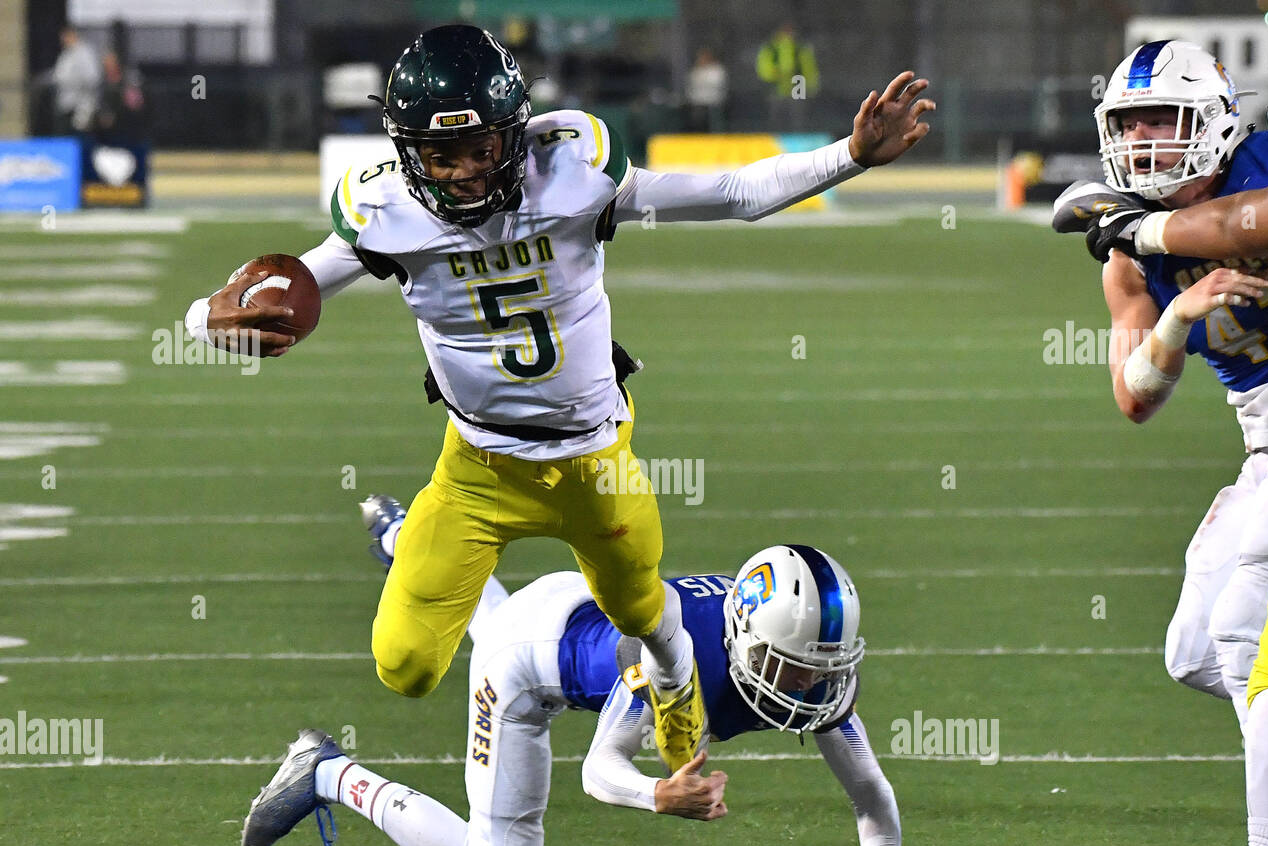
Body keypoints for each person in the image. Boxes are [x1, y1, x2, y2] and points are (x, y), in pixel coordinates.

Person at [183, 25, 934, 773]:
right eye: (442, 157)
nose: (467, 176)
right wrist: (204, 317)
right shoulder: (385, 214)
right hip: (479, 465)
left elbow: (735, 193)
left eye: (482, 151)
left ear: (517, 135)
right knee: (404, 668)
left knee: (644, 614)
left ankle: (674, 708)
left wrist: (851, 156)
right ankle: (407, 537)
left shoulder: (575, 173)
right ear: (407, 151)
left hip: (593, 458)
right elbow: (277, 289)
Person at [240, 538, 903, 846]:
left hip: (566, 605)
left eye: (821, 669)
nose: (809, 687)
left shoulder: (797, 661)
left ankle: (406, 539)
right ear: (744, 642)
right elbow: (598, 769)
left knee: (514, 622)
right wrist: (657, 796)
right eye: (791, 669)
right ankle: (325, 770)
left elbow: (870, 795)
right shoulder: (678, 655)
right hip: (526, 667)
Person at [1059, 35, 1268, 846]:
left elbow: (1248, 223)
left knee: (1249, 635)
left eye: (1166, 120)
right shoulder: (1128, 249)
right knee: (1194, 650)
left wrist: (1145, 229)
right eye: (1131, 124)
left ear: (1217, 120)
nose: (1150, 141)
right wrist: (1175, 314)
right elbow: (1134, 398)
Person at [38, 26, 101, 135]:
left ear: (73, 35)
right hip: (65, 104)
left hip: (78, 105)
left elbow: (92, 78)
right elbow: (59, 74)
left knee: (79, 137)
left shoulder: (84, 52)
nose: (63, 40)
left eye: (65, 36)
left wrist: (75, 85)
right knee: (62, 136)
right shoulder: (67, 53)